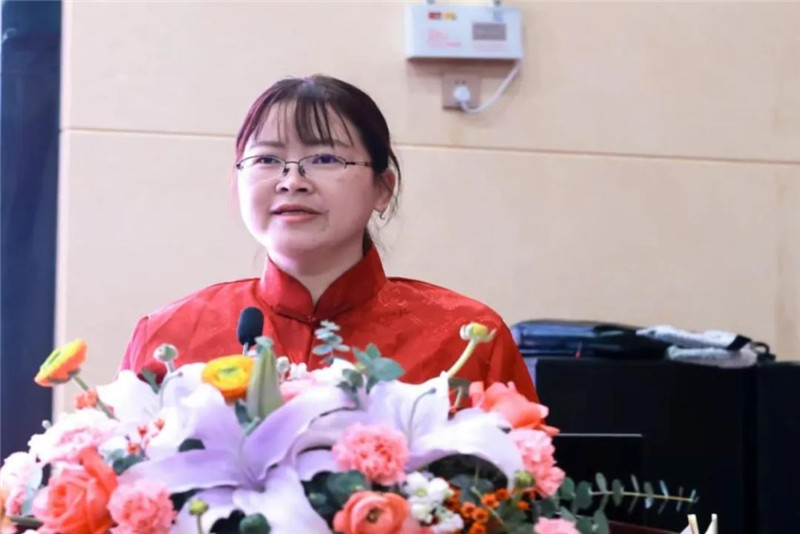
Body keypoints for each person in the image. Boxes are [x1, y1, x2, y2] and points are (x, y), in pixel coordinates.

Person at [120, 74, 538, 401]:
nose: (292, 181)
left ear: (382, 188)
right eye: (267, 159)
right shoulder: (169, 336)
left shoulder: (466, 337)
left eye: (324, 158)